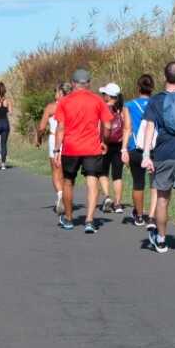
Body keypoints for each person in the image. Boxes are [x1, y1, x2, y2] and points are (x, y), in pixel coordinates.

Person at [140, 61, 175, 259]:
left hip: (164, 154)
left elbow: (149, 128)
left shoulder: (156, 100)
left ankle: (162, 239)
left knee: (162, 199)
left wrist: (147, 155)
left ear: (165, 77)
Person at [54, 68, 112, 233]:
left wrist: (57, 150)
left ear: (73, 84)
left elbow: (60, 128)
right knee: (92, 180)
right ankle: (89, 220)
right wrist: (104, 140)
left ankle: (69, 218)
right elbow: (107, 125)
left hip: (70, 148)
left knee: (68, 181)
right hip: (92, 147)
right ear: (88, 84)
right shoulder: (97, 100)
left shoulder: (65, 101)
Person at [122, 73, 158, 227]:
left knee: (138, 182)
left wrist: (123, 149)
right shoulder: (158, 104)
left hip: (136, 148)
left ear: (138, 87)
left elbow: (127, 128)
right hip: (155, 148)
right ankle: (152, 215)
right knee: (155, 183)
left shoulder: (129, 105)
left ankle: (138, 216)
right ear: (152, 88)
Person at [36, 83, 71, 213]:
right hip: (68, 139)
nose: (54, 94)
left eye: (56, 91)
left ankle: (61, 195)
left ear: (61, 93)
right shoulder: (71, 106)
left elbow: (41, 127)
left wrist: (38, 138)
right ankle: (65, 197)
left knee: (56, 170)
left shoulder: (51, 107)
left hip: (53, 139)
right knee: (65, 170)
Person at [98, 83, 127, 214]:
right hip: (119, 144)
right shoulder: (121, 108)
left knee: (103, 172)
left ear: (109, 96)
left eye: (104, 94)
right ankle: (118, 204)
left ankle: (107, 197)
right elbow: (127, 127)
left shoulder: (102, 108)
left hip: (104, 143)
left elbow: (99, 127)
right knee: (117, 175)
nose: (103, 96)